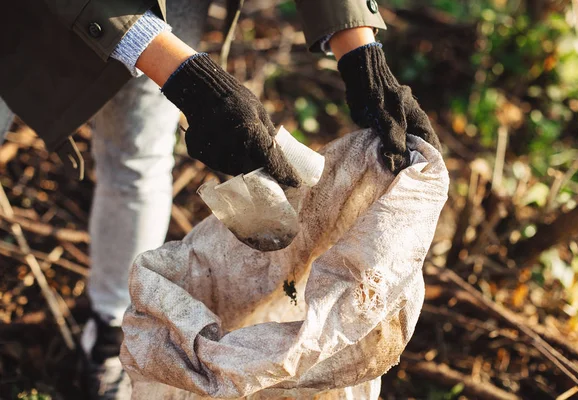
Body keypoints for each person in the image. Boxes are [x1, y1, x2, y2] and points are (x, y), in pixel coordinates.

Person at [0, 0, 441, 398]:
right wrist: (184, 74)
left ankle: (110, 332)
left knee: (137, 158)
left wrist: (359, 50)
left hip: (166, 6)